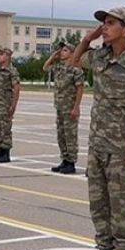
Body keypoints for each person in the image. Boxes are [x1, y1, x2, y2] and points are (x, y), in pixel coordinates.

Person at [69, 7, 125, 250]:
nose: (105, 27)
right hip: (98, 142)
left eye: (110, 23)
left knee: (121, 203)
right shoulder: (100, 56)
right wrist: (86, 39)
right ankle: (105, 249)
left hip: (121, 145)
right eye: (103, 23)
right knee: (98, 202)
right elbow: (74, 62)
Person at [42, 42, 84, 174]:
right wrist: (52, 57)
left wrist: (76, 107)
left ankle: (71, 162)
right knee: (61, 135)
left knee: (70, 135)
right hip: (60, 107)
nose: (61, 52)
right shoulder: (59, 68)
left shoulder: (76, 70)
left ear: (72, 53)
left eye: (65, 50)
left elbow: (80, 89)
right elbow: (45, 67)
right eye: (61, 50)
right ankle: (64, 159)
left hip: (70, 108)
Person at [0, 47, 20, 163]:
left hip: (5, 104)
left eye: (1, 54)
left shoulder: (12, 71)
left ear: (8, 56)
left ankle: (6, 152)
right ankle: (0, 150)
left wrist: (13, 105)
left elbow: (16, 88)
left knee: (5, 128)